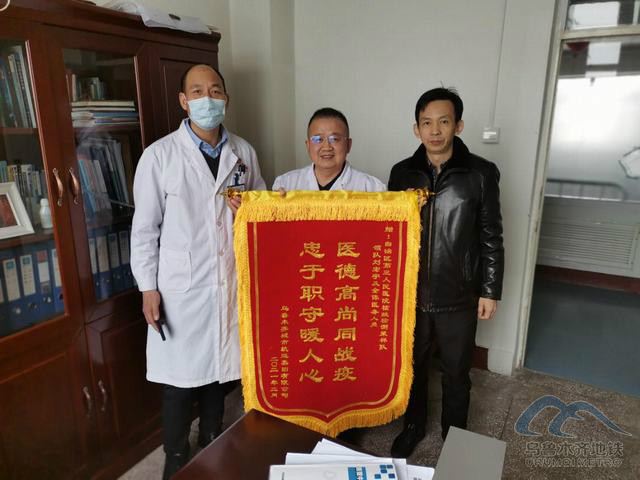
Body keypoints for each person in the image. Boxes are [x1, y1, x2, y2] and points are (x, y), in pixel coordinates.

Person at [130, 63, 266, 479]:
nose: (208, 99)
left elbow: (262, 211)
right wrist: (148, 288)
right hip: (179, 287)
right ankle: (175, 455)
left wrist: (249, 209)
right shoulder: (160, 156)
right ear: (184, 101)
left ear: (226, 98)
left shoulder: (243, 152)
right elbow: (144, 229)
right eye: (198, 91)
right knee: (179, 379)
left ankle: (211, 437)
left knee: (218, 371)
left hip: (228, 280)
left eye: (216, 90)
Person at [388, 87, 504, 457]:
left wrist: (489, 290)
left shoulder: (481, 173)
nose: (435, 130)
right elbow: (390, 233)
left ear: (458, 125)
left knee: (456, 372)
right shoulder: (402, 173)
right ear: (416, 129)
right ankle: (412, 427)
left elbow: (491, 235)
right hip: (411, 294)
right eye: (426, 123)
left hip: (460, 295)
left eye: (443, 121)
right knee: (412, 368)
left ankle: (455, 437)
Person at [272, 107, 385, 191]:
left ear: (348, 145)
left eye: (334, 139)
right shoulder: (286, 184)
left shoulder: (372, 188)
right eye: (318, 139)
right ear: (308, 145)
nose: (326, 147)